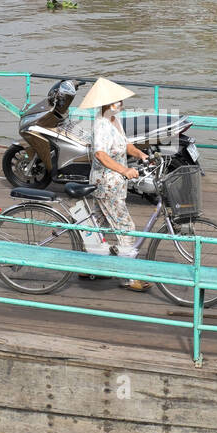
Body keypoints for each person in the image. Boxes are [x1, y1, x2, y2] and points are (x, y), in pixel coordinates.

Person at [77, 77, 148, 292]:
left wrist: (140, 154)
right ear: (109, 104)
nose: (121, 104)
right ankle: (128, 276)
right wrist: (124, 170)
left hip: (115, 184)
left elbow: (125, 145)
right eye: (118, 101)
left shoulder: (114, 121)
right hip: (106, 184)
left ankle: (87, 266)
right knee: (125, 227)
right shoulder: (100, 124)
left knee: (98, 225)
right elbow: (100, 154)